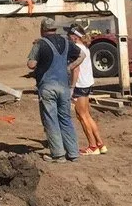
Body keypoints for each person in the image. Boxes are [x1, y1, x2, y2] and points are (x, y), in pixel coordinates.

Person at [26, 16, 80, 162]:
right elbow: (82, 55)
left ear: (42, 30)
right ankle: (73, 153)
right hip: (64, 86)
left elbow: (31, 64)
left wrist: (37, 60)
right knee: (66, 119)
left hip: (47, 87)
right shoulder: (66, 42)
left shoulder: (40, 44)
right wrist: (70, 67)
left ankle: (58, 154)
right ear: (55, 29)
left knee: (51, 120)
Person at [66, 22, 106, 156]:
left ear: (74, 36)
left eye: (69, 34)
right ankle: (100, 143)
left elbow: (76, 70)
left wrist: (71, 87)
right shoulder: (85, 47)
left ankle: (92, 146)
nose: (67, 37)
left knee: (81, 116)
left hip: (80, 85)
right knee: (87, 115)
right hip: (87, 84)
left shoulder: (76, 48)